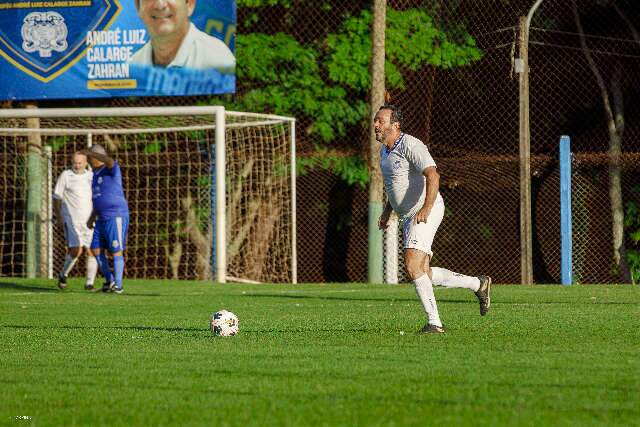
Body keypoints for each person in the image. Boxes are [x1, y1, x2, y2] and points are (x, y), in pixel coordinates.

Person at [375, 104, 491, 334]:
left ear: (395, 125)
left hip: (426, 209)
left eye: (380, 121)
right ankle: (478, 284)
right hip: (407, 215)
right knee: (423, 272)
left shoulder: (411, 144)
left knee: (411, 265)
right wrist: (388, 211)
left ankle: (435, 323)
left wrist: (426, 208)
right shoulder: (384, 152)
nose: (376, 125)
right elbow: (395, 186)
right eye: (375, 121)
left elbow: (433, 174)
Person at [129, 0, 235, 70]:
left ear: (189, 4)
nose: (160, 5)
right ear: (138, 7)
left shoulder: (217, 59)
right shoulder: (132, 65)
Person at [84, 145, 130, 294]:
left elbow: (110, 160)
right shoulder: (95, 174)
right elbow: (98, 197)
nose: (89, 160)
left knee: (116, 250)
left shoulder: (111, 168)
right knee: (95, 249)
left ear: (96, 157)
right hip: (100, 218)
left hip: (115, 215)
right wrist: (91, 217)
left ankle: (118, 286)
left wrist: (92, 152)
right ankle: (109, 280)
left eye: (90, 157)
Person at [53, 152, 98, 290]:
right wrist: (59, 216)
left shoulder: (91, 176)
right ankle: (63, 274)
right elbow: (56, 197)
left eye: (80, 163)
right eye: (75, 163)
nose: (77, 165)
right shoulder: (66, 175)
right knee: (76, 251)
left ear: (86, 163)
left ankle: (89, 283)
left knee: (93, 251)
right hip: (71, 220)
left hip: (89, 220)